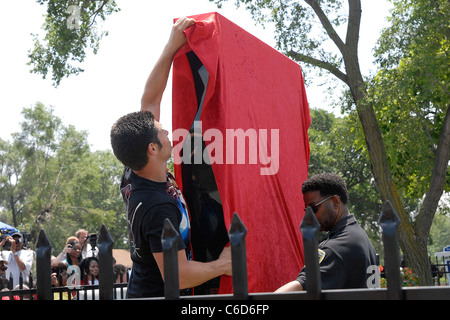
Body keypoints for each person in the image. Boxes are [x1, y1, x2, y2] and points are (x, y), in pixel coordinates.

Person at [110, 17, 232, 298]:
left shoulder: (137, 168)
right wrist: (223, 265)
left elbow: (150, 100)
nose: (166, 130)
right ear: (151, 149)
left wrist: (171, 47)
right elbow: (179, 276)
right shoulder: (157, 208)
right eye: (160, 132)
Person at [276, 173, 378, 292]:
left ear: (335, 202)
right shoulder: (360, 237)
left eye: (313, 208)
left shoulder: (336, 247)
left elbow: (300, 287)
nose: (309, 216)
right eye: (307, 210)